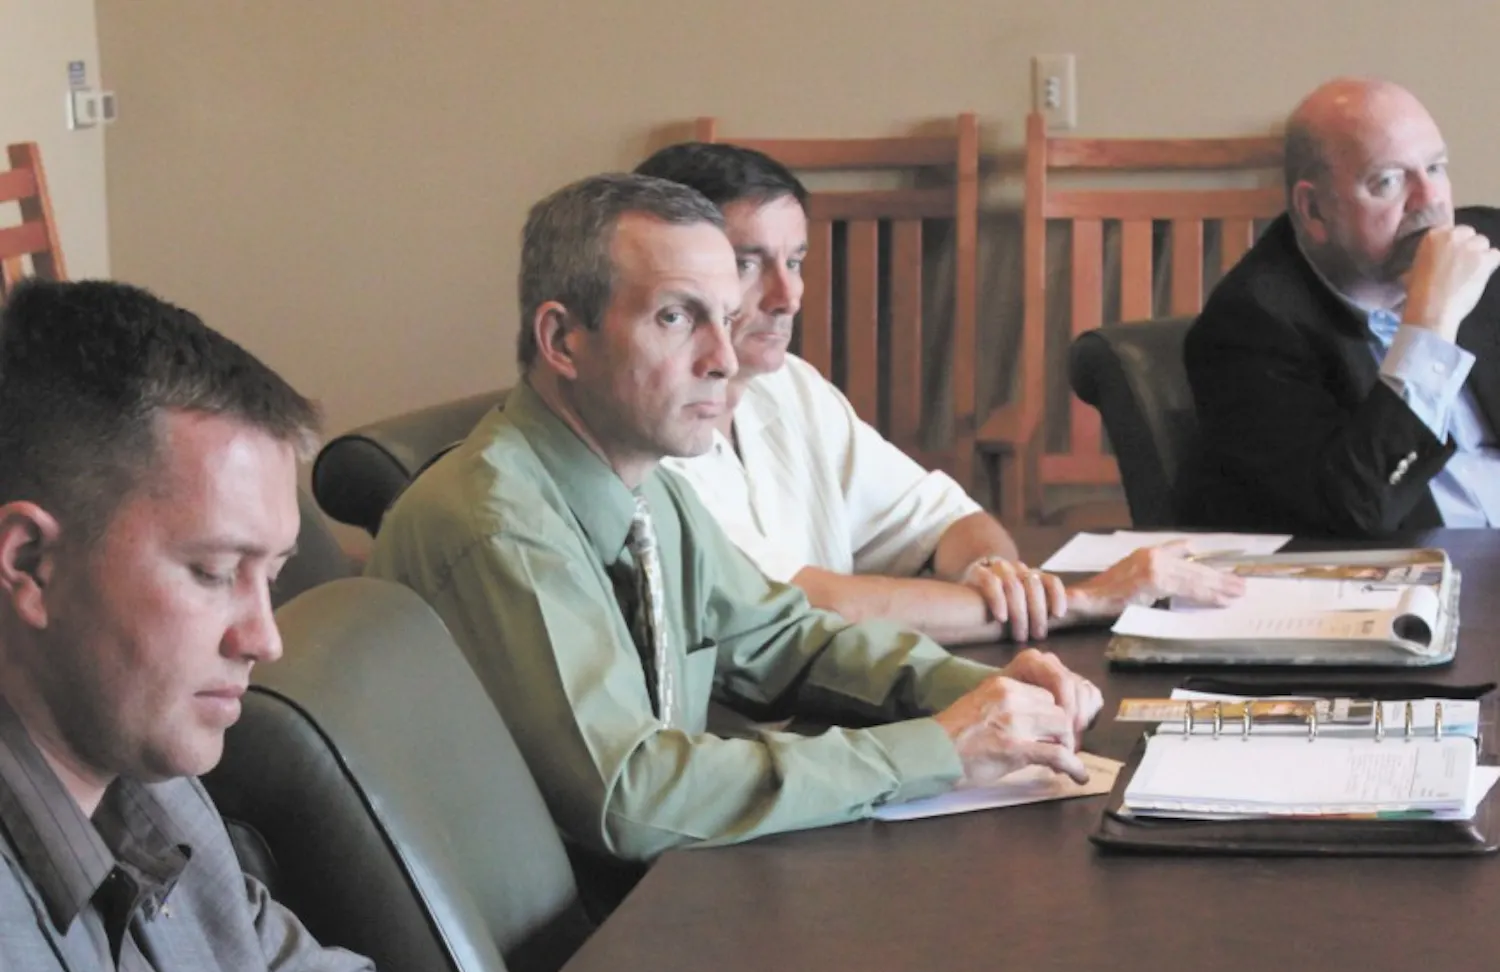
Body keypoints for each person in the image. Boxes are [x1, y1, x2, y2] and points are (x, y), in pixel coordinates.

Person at [366, 174, 1104, 867]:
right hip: (569, 945)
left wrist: (975, 693)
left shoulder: (648, 489)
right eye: (676, 317)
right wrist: (938, 748)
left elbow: (785, 642)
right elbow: (632, 796)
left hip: (660, 887)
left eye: (726, 318)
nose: (723, 359)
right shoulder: (500, 525)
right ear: (563, 341)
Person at [0, 280, 465, 972]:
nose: (264, 638)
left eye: (272, 576)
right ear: (31, 563)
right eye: (215, 571)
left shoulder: (156, 783)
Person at [632, 142, 1243, 644]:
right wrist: (1082, 600)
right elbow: (809, 608)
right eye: (748, 263)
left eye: (796, 261)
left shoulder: (793, 386)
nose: (788, 295)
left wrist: (996, 575)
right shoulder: (643, 437)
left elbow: (947, 520)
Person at [1179, 77, 1500, 536]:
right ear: (1314, 209)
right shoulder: (1248, 331)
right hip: (1417, 582)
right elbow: (1355, 510)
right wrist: (1430, 326)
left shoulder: (1489, 248)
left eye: (1435, 168)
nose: (1430, 200)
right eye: (1388, 181)